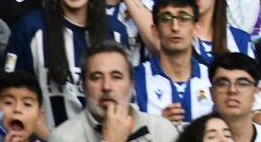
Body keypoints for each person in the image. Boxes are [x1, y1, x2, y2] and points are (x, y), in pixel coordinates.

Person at [50, 42, 180, 142]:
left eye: (116, 77)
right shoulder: (62, 138)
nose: (106, 86)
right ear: (83, 86)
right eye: (96, 77)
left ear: (132, 85)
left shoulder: (162, 132)